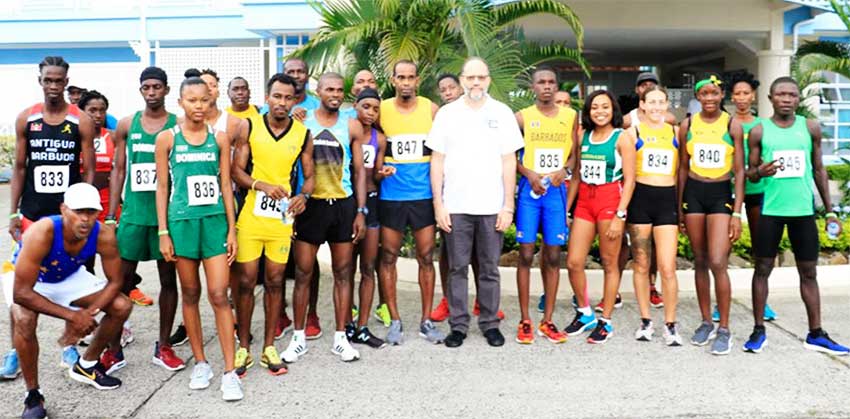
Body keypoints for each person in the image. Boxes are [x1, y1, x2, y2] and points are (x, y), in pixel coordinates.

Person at [2, 183, 131, 419]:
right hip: (28, 279)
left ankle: (87, 365)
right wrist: (72, 316)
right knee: (24, 319)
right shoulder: (43, 231)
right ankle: (33, 395)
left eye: (91, 212)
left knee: (122, 305)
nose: (85, 219)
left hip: (66, 276)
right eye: (78, 211)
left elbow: (115, 281)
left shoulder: (103, 234)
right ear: (63, 209)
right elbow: (21, 292)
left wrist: (89, 313)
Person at [3, 56, 96, 381]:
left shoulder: (81, 120)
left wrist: (85, 209)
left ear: (67, 81)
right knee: (22, 283)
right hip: (32, 213)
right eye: (48, 81)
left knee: (70, 279)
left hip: (67, 217)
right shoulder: (26, 118)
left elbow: (88, 169)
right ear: (39, 80)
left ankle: (68, 344)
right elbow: (19, 167)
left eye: (59, 81)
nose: (54, 86)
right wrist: (13, 212)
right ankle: (16, 349)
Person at [743, 77, 848, 356]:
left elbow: (819, 169)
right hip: (771, 210)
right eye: (781, 94)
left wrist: (829, 210)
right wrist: (759, 172)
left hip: (803, 211)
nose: (786, 99)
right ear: (770, 98)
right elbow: (749, 171)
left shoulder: (809, 127)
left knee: (809, 273)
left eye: (792, 95)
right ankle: (758, 330)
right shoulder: (758, 131)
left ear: (798, 99)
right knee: (762, 269)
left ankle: (816, 333)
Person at [154, 76, 242, 400]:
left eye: (204, 100)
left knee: (219, 293)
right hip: (182, 222)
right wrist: (163, 232)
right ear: (180, 103)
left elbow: (225, 186)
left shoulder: (220, 138)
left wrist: (232, 229)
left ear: (211, 100)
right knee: (189, 293)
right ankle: (201, 363)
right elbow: (162, 188)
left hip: (215, 222)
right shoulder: (167, 139)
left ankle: (230, 372)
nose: (199, 106)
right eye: (192, 101)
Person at [428, 57, 523, 349]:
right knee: (457, 268)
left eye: (481, 77)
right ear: (462, 81)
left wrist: (508, 205)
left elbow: (509, 161)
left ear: (489, 80)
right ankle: (458, 325)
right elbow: (437, 160)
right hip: (455, 206)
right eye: (470, 78)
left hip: (491, 205)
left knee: (490, 268)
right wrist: (439, 205)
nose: (476, 83)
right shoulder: (447, 114)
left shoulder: (502, 112)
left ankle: (490, 323)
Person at [281, 72, 367, 363]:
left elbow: (359, 172)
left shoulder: (351, 124)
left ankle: (341, 338)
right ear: (317, 92)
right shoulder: (302, 121)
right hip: (310, 206)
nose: (335, 94)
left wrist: (360, 211)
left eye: (340, 90)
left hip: (342, 205)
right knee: (303, 274)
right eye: (329, 89)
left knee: (344, 274)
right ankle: (298, 338)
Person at [231, 73, 309, 377]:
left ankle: (268, 346)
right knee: (247, 281)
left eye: (288, 98)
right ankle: (242, 346)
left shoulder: (302, 133)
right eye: (277, 96)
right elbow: (236, 171)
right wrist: (260, 184)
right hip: (251, 217)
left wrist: (303, 194)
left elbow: (310, 174)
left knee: (276, 281)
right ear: (267, 97)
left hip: (281, 220)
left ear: (295, 101)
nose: (282, 103)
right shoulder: (249, 126)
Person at [108, 67, 186, 371]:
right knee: (121, 281)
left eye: (157, 87)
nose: (151, 92)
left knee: (168, 280)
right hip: (134, 215)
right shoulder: (128, 124)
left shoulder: (177, 125)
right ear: (140, 90)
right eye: (146, 87)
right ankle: (113, 348)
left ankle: (164, 345)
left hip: (166, 218)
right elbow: (119, 170)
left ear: (166, 90)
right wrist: (112, 215)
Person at [375, 60, 444, 346]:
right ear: (393, 80)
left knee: (426, 257)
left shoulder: (431, 109)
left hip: (423, 196)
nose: (405, 82)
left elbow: (444, 150)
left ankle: (426, 320)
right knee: (388, 257)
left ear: (418, 80)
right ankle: (395, 320)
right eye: (400, 77)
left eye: (410, 77)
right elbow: (369, 140)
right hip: (391, 196)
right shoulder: (382, 109)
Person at [562, 90, 636, 344]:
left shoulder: (622, 138)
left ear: (612, 109)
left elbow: (630, 181)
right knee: (573, 261)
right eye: (595, 107)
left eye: (605, 107)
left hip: (609, 200)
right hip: (585, 200)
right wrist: (566, 209)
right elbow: (577, 175)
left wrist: (620, 215)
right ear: (588, 111)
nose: (600, 112)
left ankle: (605, 320)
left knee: (609, 262)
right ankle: (584, 313)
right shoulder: (583, 135)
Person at [677, 75, 745, 355]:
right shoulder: (687, 124)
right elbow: (682, 168)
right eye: (703, 93)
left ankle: (725, 327)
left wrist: (737, 213)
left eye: (714, 93)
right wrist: (679, 207)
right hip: (693, 192)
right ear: (697, 96)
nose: (709, 98)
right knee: (701, 260)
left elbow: (739, 171)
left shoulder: (732, 124)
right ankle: (706, 321)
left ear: (721, 95)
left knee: (718, 260)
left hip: (720, 195)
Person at [513, 67, 577, 344]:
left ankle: (547, 320)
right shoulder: (522, 117)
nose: (547, 86)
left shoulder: (570, 116)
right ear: (533, 86)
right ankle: (525, 320)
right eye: (542, 82)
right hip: (530, 190)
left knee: (552, 256)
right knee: (526, 254)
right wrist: (528, 174)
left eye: (552, 82)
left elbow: (576, 155)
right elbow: (507, 155)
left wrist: (565, 170)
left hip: (556, 192)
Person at [717, 71, 777, 323]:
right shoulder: (724, 123)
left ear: (753, 96)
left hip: (758, 192)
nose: (741, 98)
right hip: (728, 193)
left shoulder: (762, 125)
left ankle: (761, 302)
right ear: (731, 97)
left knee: (762, 249)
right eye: (737, 94)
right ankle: (722, 304)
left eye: (746, 93)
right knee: (723, 250)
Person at [625, 86, 682, 345]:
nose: (657, 107)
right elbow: (625, 175)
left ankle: (671, 324)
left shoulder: (676, 133)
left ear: (667, 105)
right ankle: (646, 320)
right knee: (641, 264)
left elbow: (681, 172)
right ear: (643, 105)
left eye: (662, 102)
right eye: (652, 102)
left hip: (666, 201)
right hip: (640, 201)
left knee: (668, 267)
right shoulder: (631, 133)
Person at [345, 88, 388, 348]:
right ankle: (346, 324)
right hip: (347, 202)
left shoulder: (379, 138)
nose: (370, 112)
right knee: (346, 267)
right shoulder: (346, 132)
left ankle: (362, 326)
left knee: (368, 266)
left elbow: (376, 173)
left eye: (375, 108)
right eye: (366, 107)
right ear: (356, 107)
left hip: (372, 202)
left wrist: (384, 173)